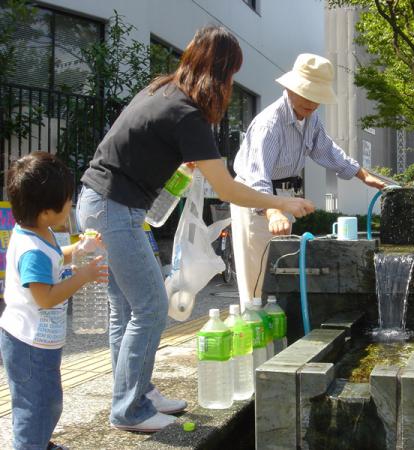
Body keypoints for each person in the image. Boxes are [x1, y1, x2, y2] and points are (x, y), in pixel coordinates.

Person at [77, 26, 314, 433]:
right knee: (151, 308)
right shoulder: (187, 113)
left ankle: (138, 392)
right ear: (220, 71)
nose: (232, 83)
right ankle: (129, 409)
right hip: (115, 210)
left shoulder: (161, 91)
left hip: (97, 203)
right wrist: (280, 202)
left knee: (127, 310)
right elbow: (226, 187)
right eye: (231, 74)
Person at [231, 53, 387, 306]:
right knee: (257, 277)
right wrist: (273, 212)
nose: (312, 105)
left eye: (317, 99)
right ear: (290, 89)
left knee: (280, 272)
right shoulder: (270, 123)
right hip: (256, 198)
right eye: (308, 97)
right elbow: (257, 174)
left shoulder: (310, 118)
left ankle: (277, 335)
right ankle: (255, 341)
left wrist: (363, 175)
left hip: (282, 198)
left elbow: (326, 149)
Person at [0, 152, 108, 450]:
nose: (71, 205)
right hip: (29, 345)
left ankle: (39, 442)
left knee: (47, 401)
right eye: (68, 201)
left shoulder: (39, 232)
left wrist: (81, 247)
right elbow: (45, 298)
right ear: (47, 212)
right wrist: (83, 275)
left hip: (39, 342)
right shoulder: (32, 250)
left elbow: (58, 258)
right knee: (35, 407)